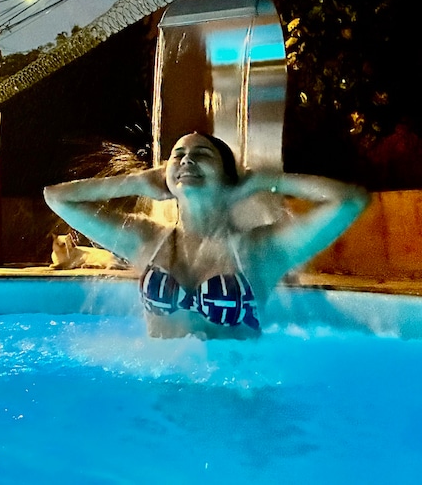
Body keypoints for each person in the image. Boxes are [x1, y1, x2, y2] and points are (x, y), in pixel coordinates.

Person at [44, 132, 369, 339]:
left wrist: (264, 180)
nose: (187, 159)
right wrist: (136, 182)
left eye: (202, 154)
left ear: (230, 178)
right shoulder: (146, 240)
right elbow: (57, 198)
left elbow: (350, 201)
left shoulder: (261, 250)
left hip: (236, 398)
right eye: (178, 155)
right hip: (162, 397)